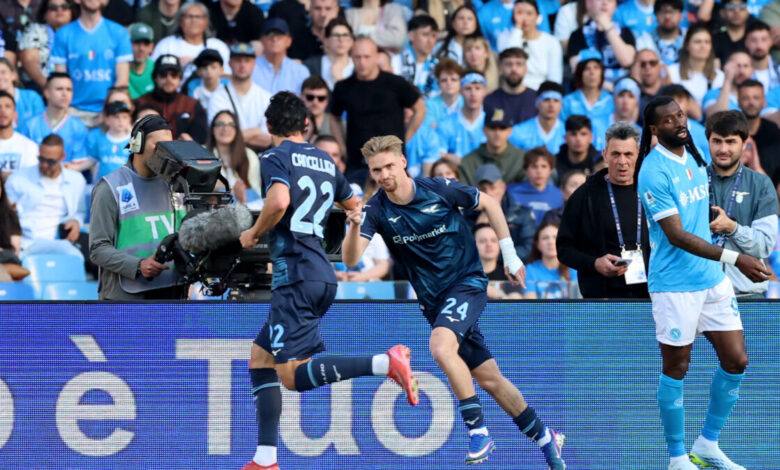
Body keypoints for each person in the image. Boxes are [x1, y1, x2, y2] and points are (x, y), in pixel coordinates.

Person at [342, 134, 566, 469]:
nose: (384, 174)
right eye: (376, 170)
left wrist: (510, 256)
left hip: (466, 283)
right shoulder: (375, 209)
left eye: (389, 166)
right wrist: (353, 226)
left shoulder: (438, 188)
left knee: (440, 347)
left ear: (403, 162)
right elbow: (350, 260)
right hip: (434, 302)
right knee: (489, 379)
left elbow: (490, 203)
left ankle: (478, 431)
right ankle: (546, 437)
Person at [237, 93, 417, 470]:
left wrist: (253, 233)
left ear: (268, 126)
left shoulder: (273, 157)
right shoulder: (323, 160)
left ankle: (385, 363)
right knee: (260, 357)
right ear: (306, 125)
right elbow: (354, 206)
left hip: (295, 276)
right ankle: (265, 459)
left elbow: (279, 202)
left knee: (291, 377)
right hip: (321, 272)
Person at [636, 96, 771, 470]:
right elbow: (676, 235)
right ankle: (677, 457)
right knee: (677, 367)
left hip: (711, 279)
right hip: (675, 284)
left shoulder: (693, 153)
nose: (679, 122)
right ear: (654, 129)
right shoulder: (652, 171)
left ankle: (707, 444)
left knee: (737, 359)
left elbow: (695, 211)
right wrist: (736, 258)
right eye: (669, 120)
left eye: (680, 114)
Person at [89, 114, 188, 300]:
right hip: (126, 298)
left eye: (169, 146)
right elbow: (98, 249)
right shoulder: (110, 188)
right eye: (158, 146)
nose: (165, 153)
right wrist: (137, 265)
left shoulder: (178, 185)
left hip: (173, 291)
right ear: (137, 145)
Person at [557, 122, 650, 299]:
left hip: (650, 296)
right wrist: (594, 263)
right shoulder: (584, 195)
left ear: (638, 155)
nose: (622, 161)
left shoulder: (652, 190)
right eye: (616, 154)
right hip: (601, 297)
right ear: (605, 155)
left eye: (628, 154)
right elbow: (564, 249)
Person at [329, 36, 425, 184]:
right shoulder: (343, 87)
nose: (362, 62)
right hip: (357, 162)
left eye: (367, 57)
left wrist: (404, 138)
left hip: (392, 161)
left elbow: (420, 109)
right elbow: (334, 117)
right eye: (357, 57)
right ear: (351, 57)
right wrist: (342, 147)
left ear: (376, 56)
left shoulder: (395, 83)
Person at [707, 110, 778, 298]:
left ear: (745, 143)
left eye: (730, 142)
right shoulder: (694, 181)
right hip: (702, 294)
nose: (723, 149)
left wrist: (732, 228)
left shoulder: (761, 184)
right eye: (717, 141)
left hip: (746, 294)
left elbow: (764, 245)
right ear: (708, 142)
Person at [50, 0, 131, 126]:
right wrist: (65, 111)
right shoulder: (63, 34)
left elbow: (122, 81)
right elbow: (59, 79)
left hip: (108, 112)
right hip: (72, 111)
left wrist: (107, 112)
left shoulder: (119, 33)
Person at [5, 133, 85, 260]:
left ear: (62, 157)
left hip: (61, 241)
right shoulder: (18, 179)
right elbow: (6, 215)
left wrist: (76, 222)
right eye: (41, 159)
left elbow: (79, 212)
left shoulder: (77, 180)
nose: (44, 165)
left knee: (78, 260)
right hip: (27, 242)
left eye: (50, 161)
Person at [208, 42, 272, 150]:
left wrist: (233, 135)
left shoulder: (266, 97)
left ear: (254, 64)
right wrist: (256, 131)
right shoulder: (217, 96)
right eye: (238, 60)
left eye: (247, 61)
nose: (242, 65)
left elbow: (268, 139)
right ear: (230, 64)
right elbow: (218, 135)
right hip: (228, 156)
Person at [151, 2, 232, 84]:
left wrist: (197, 63)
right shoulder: (166, 45)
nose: (194, 20)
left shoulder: (218, 46)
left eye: (198, 17)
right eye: (189, 16)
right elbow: (153, 74)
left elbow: (229, 76)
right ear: (180, 21)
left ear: (206, 22)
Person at [135, 54, 208, 144]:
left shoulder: (192, 105)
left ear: (180, 79)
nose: (169, 79)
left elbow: (200, 139)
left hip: (183, 152)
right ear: (155, 78)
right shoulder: (140, 102)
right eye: (163, 74)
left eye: (174, 75)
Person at [18, 72, 88, 166]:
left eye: (69, 89)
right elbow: (23, 158)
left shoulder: (78, 126)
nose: (65, 94)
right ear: (46, 93)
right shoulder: (30, 124)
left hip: (67, 173)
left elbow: (78, 162)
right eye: (59, 89)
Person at [470, 163, 536, 261]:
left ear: (503, 187)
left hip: (511, 267)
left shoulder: (521, 213)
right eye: (482, 189)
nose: (488, 193)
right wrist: (476, 229)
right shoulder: (467, 214)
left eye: (493, 188)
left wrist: (492, 255)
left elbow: (527, 249)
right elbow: (461, 250)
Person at [495, 0, 563, 89]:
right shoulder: (504, 38)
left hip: (541, 91)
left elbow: (555, 78)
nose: (524, 18)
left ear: (538, 17)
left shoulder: (551, 42)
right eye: (519, 13)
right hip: (512, 89)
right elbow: (509, 60)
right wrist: (518, 29)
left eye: (529, 13)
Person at [566, 0, 637, 84]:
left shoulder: (626, 33)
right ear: (588, 3)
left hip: (624, 87)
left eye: (610, 0)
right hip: (592, 88)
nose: (605, 3)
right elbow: (578, 72)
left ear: (615, 5)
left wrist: (608, 29)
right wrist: (610, 88)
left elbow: (627, 61)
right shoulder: (577, 36)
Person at [206, 109, 261, 202]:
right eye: (220, 124)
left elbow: (256, 191)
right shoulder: (202, 153)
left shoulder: (249, 155)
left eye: (231, 125)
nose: (225, 129)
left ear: (237, 130)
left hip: (245, 207)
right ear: (212, 128)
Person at [18, 0, 74, 91]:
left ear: (71, 11)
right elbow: (29, 60)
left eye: (64, 7)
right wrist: (48, 87)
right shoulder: (34, 30)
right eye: (53, 7)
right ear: (45, 14)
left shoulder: (79, 32)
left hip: (76, 85)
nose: (59, 10)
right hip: (39, 86)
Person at [460, 108, 525, 186]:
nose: (497, 133)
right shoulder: (468, 162)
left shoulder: (522, 159)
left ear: (510, 131)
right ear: (484, 130)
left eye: (502, 128)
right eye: (492, 128)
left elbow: (529, 189)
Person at [667, 25, 725, 108]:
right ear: (687, 45)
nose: (703, 46)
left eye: (707, 42)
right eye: (697, 42)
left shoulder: (720, 76)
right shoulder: (672, 71)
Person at [436, 72, 487, 163]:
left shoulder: (492, 124)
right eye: (468, 88)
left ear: (485, 92)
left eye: (478, 88)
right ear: (461, 91)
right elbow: (438, 153)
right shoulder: (446, 123)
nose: (473, 93)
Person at [737, 79, 780, 186]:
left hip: (769, 190)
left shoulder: (773, 132)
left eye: (756, 98)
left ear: (764, 102)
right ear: (738, 102)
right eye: (745, 98)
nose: (751, 102)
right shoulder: (731, 131)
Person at [507, 146, 564, 225]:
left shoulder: (559, 195)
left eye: (544, 166)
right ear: (526, 170)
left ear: (550, 170)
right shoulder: (511, 192)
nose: (539, 171)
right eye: (534, 166)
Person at [252, 18, 311, 95]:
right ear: (262, 40)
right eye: (270, 34)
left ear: (289, 41)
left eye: (279, 35)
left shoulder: (300, 71)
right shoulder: (251, 67)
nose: (274, 39)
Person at [521, 220, 576, 299]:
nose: (550, 242)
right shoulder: (530, 269)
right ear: (537, 244)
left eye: (555, 237)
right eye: (545, 238)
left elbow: (578, 301)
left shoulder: (573, 267)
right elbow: (530, 303)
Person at [483, 47, 537, 126]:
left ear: (525, 69)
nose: (514, 69)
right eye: (508, 64)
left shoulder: (537, 100)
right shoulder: (489, 100)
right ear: (500, 68)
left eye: (519, 64)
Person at [561, 50, 613, 130]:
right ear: (580, 73)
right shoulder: (567, 102)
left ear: (601, 72)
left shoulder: (611, 101)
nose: (592, 72)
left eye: (596, 67)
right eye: (587, 68)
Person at [510, 81, 566, 155]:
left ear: (561, 105)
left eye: (556, 100)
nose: (551, 105)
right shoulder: (517, 132)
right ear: (537, 103)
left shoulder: (568, 133)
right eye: (546, 100)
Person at [395, 14, 439, 99]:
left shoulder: (438, 66)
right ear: (411, 36)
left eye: (433, 36)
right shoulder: (396, 61)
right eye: (425, 34)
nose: (430, 40)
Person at [85, 101, 132, 181]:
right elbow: (92, 160)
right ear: (107, 120)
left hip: (126, 184)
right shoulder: (100, 139)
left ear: (129, 119)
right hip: (104, 184)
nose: (121, 120)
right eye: (116, 117)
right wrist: (73, 167)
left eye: (124, 117)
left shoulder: (133, 141)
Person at [303, 18, 354, 90]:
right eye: (336, 35)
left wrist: (340, 80)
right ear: (326, 40)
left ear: (351, 41)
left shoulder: (358, 66)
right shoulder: (311, 65)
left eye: (345, 35)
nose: (341, 39)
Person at [703, 49, 754, 117]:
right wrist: (727, 80)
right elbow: (716, 116)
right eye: (737, 66)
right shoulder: (712, 94)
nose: (742, 71)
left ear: (752, 70)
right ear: (726, 67)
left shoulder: (757, 95)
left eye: (745, 66)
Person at [0, 91, 39, 179]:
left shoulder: (29, 146)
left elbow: (31, 179)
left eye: (7, 106)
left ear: (15, 114)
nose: (2, 111)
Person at [0, 58, 44, 130]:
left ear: (13, 75)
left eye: (3, 72)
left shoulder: (32, 97)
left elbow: (41, 124)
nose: (0, 77)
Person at [424, 58, 463, 128]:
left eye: (453, 79)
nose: (449, 83)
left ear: (460, 82)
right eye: (444, 80)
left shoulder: (467, 103)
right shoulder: (429, 105)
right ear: (438, 84)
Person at [745, 20, 780, 93]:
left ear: (771, 42)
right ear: (746, 42)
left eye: (764, 40)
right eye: (753, 40)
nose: (759, 46)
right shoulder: (739, 74)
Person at [650, 0, 686, 65]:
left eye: (672, 12)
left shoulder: (689, 38)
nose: (667, 17)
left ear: (681, 15)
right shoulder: (646, 41)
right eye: (663, 12)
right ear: (656, 16)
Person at [128, 23, 157, 100]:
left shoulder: (157, 69)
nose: (141, 48)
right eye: (136, 42)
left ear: (152, 47)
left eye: (146, 44)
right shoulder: (119, 69)